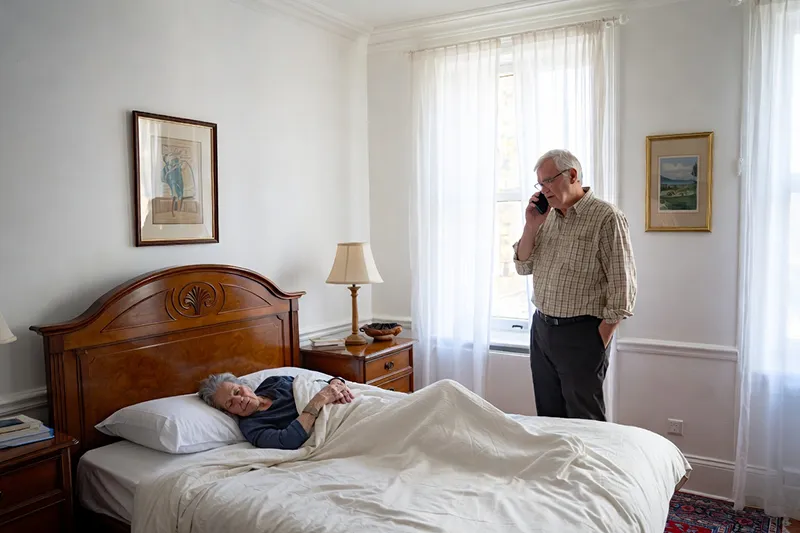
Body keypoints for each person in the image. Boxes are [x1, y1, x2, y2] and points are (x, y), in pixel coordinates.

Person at [512, 148, 636, 422]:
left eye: (549, 180)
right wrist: (531, 226)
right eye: (539, 184)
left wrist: (598, 340)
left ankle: (591, 466)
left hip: (582, 335)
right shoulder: (545, 219)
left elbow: (623, 289)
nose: (544, 190)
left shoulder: (606, 218)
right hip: (542, 330)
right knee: (548, 417)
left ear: (572, 175)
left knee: (585, 420)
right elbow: (523, 265)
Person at [197, 373, 355, 450]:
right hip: (337, 427)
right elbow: (287, 441)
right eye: (230, 403)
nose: (239, 400)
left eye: (237, 392)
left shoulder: (273, 382)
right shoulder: (252, 427)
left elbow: (311, 384)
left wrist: (336, 382)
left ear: (244, 385)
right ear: (228, 412)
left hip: (348, 404)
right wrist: (318, 401)